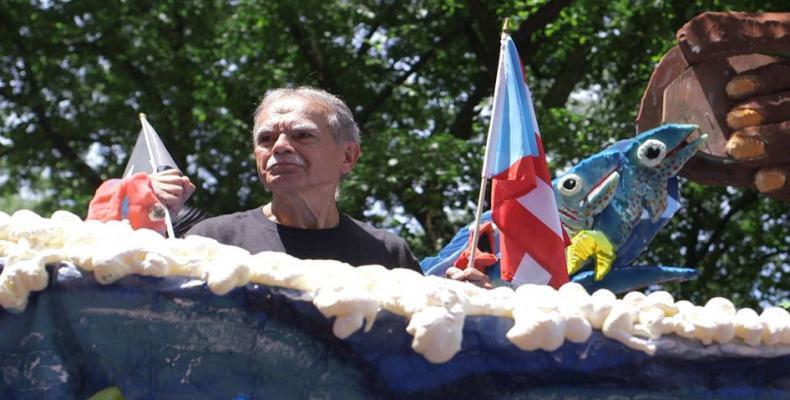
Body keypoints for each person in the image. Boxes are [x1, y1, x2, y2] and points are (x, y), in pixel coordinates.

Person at [152, 87, 491, 285]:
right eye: (266, 138)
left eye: (302, 135)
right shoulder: (212, 239)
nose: (280, 146)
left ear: (347, 156)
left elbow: (411, 352)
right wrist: (141, 217)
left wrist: (463, 307)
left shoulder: (388, 253)